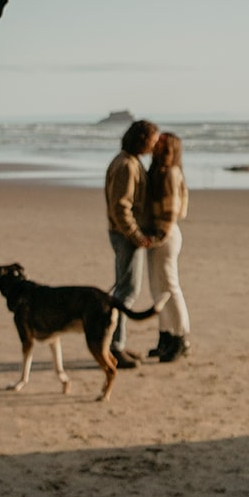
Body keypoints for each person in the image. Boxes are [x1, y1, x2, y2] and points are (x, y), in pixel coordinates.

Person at [104, 118, 158, 366]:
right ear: (143, 140)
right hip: (125, 236)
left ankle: (118, 344)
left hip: (125, 234)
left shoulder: (130, 161)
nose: (155, 146)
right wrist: (136, 235)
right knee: (126, 292)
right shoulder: (126, 164)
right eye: (153, 141)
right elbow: (121, 207)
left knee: (125, 290)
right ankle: (115, 347)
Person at [145, 130, 191, 361]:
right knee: (156, 287)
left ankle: (181, 338)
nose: (156, 144)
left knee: (170, 287)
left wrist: (156, 237)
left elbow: (171, 212)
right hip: (156, 235)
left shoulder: (171, 173)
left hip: (165, 235)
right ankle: (165, 336)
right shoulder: (157, 171)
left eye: (161, 142)